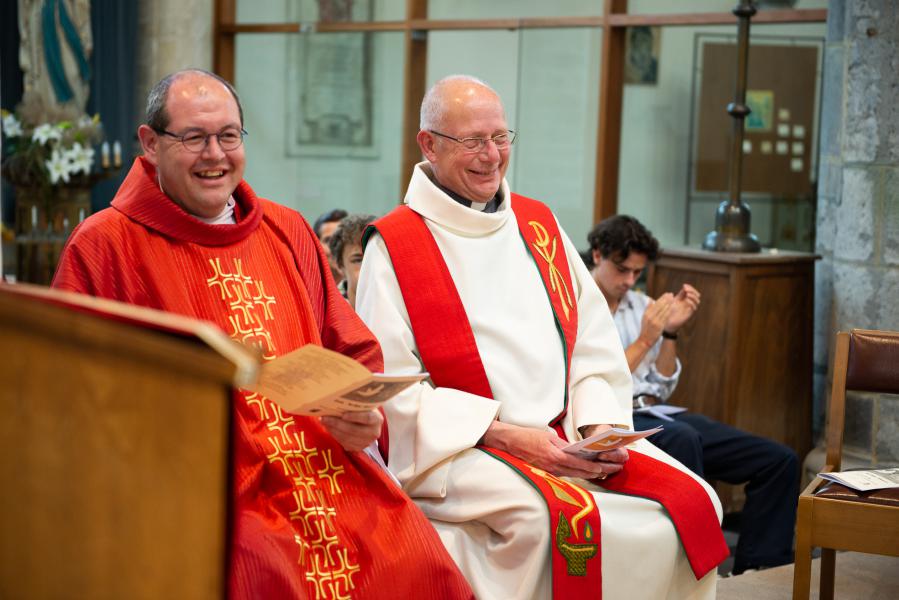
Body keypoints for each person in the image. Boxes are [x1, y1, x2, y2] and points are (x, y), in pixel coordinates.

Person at [51, 69, 474, 600]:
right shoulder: (104, 246)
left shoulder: (286, 230)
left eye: (229, 136)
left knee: (417, 562)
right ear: (150, 144)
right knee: (265, 571)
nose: (215, 155)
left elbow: (353, 351)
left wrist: (365, 416)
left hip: (323, 467)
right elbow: (70, 397)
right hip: (206, 484)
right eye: (194, 138)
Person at [355, 74, 728, 600]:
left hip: (570, 433)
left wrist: (600, 423)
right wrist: (506, 434)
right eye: (473, 142)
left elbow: (592, 345)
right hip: (466, 447)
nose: (492, 155)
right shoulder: (395, 247)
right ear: (429, 144)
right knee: (544, 522)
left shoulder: (538, 226)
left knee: (696, 500)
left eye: (501, 137)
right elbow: (392, 387)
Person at [587, 214, 799, 575]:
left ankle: (760, 568)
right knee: (685, 439)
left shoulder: (642, 306)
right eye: (622, 270)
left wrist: (669, 334)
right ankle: (698, 567)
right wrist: (645, 339)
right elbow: (600, 382)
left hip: (658, 411)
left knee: (779, 459)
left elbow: (664, 382)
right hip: (614, 416)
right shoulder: (579, 304)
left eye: (637, 272)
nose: (629, 281)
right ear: (596, 256)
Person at [327, 213, 376, 309]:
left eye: (375, 257)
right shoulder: (328, 315)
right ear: (339, 265)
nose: (368, 267)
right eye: (358, 260)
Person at [313, 208, 348, 284]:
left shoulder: (362, 288)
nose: (335, 246)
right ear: (316, 245)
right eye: (328, 240)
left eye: (340, 238)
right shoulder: (309, 289)